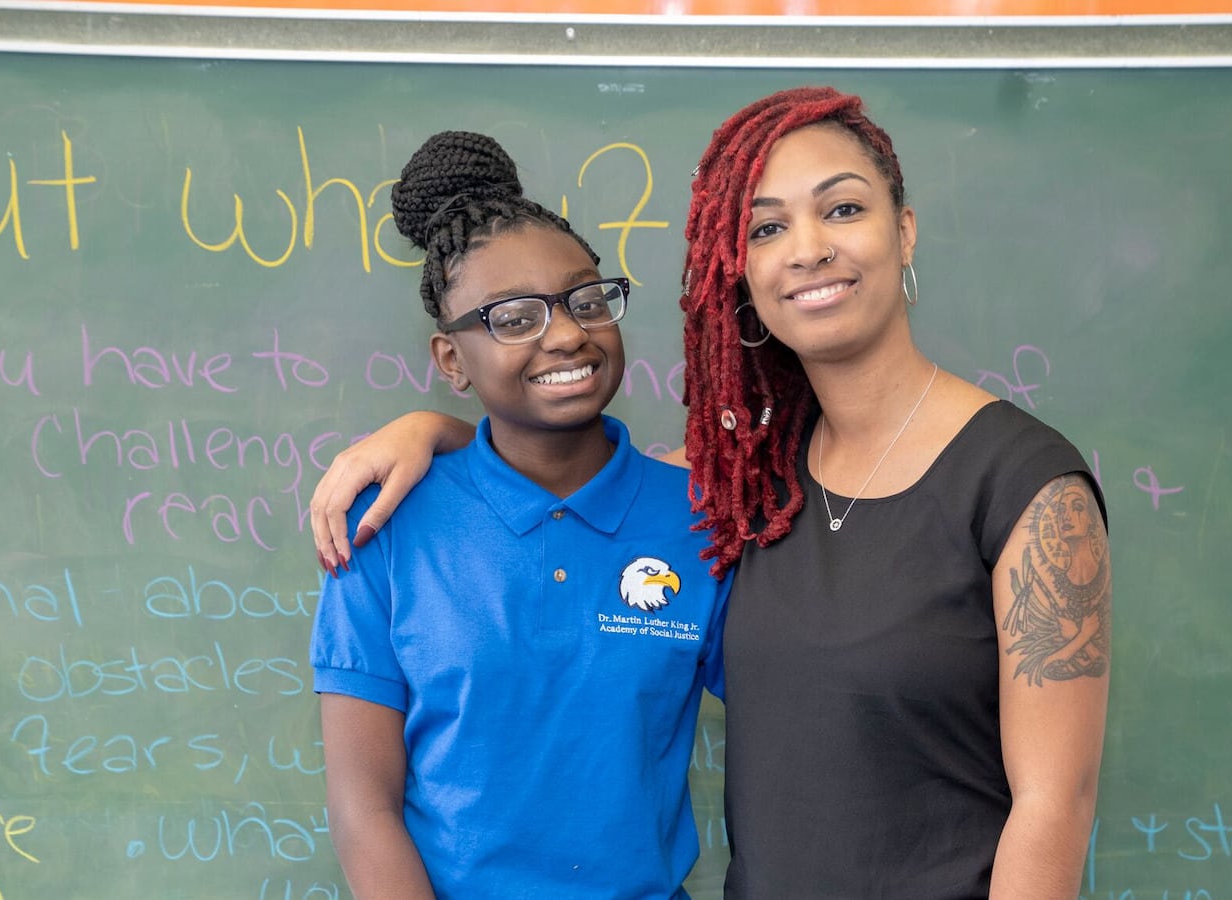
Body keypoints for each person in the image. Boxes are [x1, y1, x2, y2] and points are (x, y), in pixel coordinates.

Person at [311, 88, 1111, 900]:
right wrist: (434, 431)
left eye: (842, 209)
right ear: (741, 272)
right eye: (767, 228)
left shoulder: (1016, 487)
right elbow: (543, 473)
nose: (808, 250)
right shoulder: (746, 483)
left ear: (904, 230)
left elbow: (1056, 803)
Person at [308, 130, 731, 900]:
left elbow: (804, 730)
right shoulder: (385, 527)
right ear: (451, 361)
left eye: (586, 300)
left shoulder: (698, 520)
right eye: (513, 318)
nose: (567, 333)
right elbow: (363, 805)